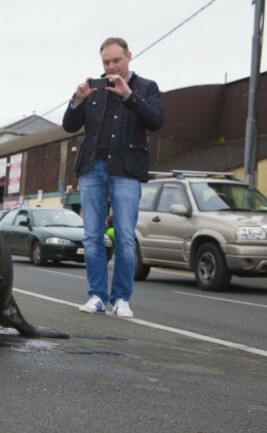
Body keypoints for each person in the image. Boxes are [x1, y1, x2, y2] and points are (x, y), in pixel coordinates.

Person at [62, 37, 164, 318]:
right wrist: (77, 100)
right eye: (106, 62)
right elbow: (69, 125)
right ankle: (96, 295)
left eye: (116, 60)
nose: (111, 66)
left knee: (125, 237)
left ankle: (121, 298)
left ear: (129, 56)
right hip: (92, 167)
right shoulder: (93, 88)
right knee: (92, 236)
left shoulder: (146, 87)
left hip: (126, 169)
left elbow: (156, 121)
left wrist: (128, 94)